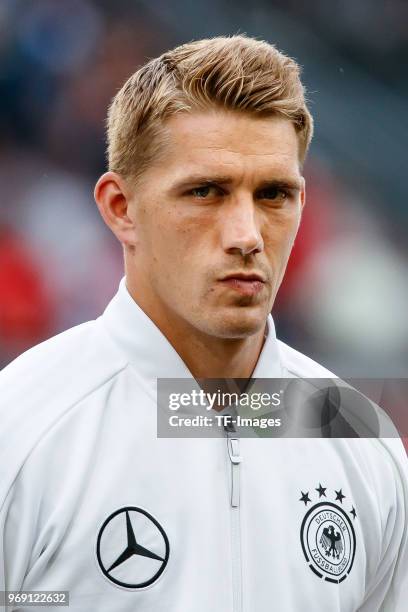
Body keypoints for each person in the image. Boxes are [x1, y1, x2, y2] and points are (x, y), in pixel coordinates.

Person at [0, 35, 407, 612]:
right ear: (121, 208)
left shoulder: (354, 434)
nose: (246, 236)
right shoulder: (20, 427)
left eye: (273, 195)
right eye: (205, 191)